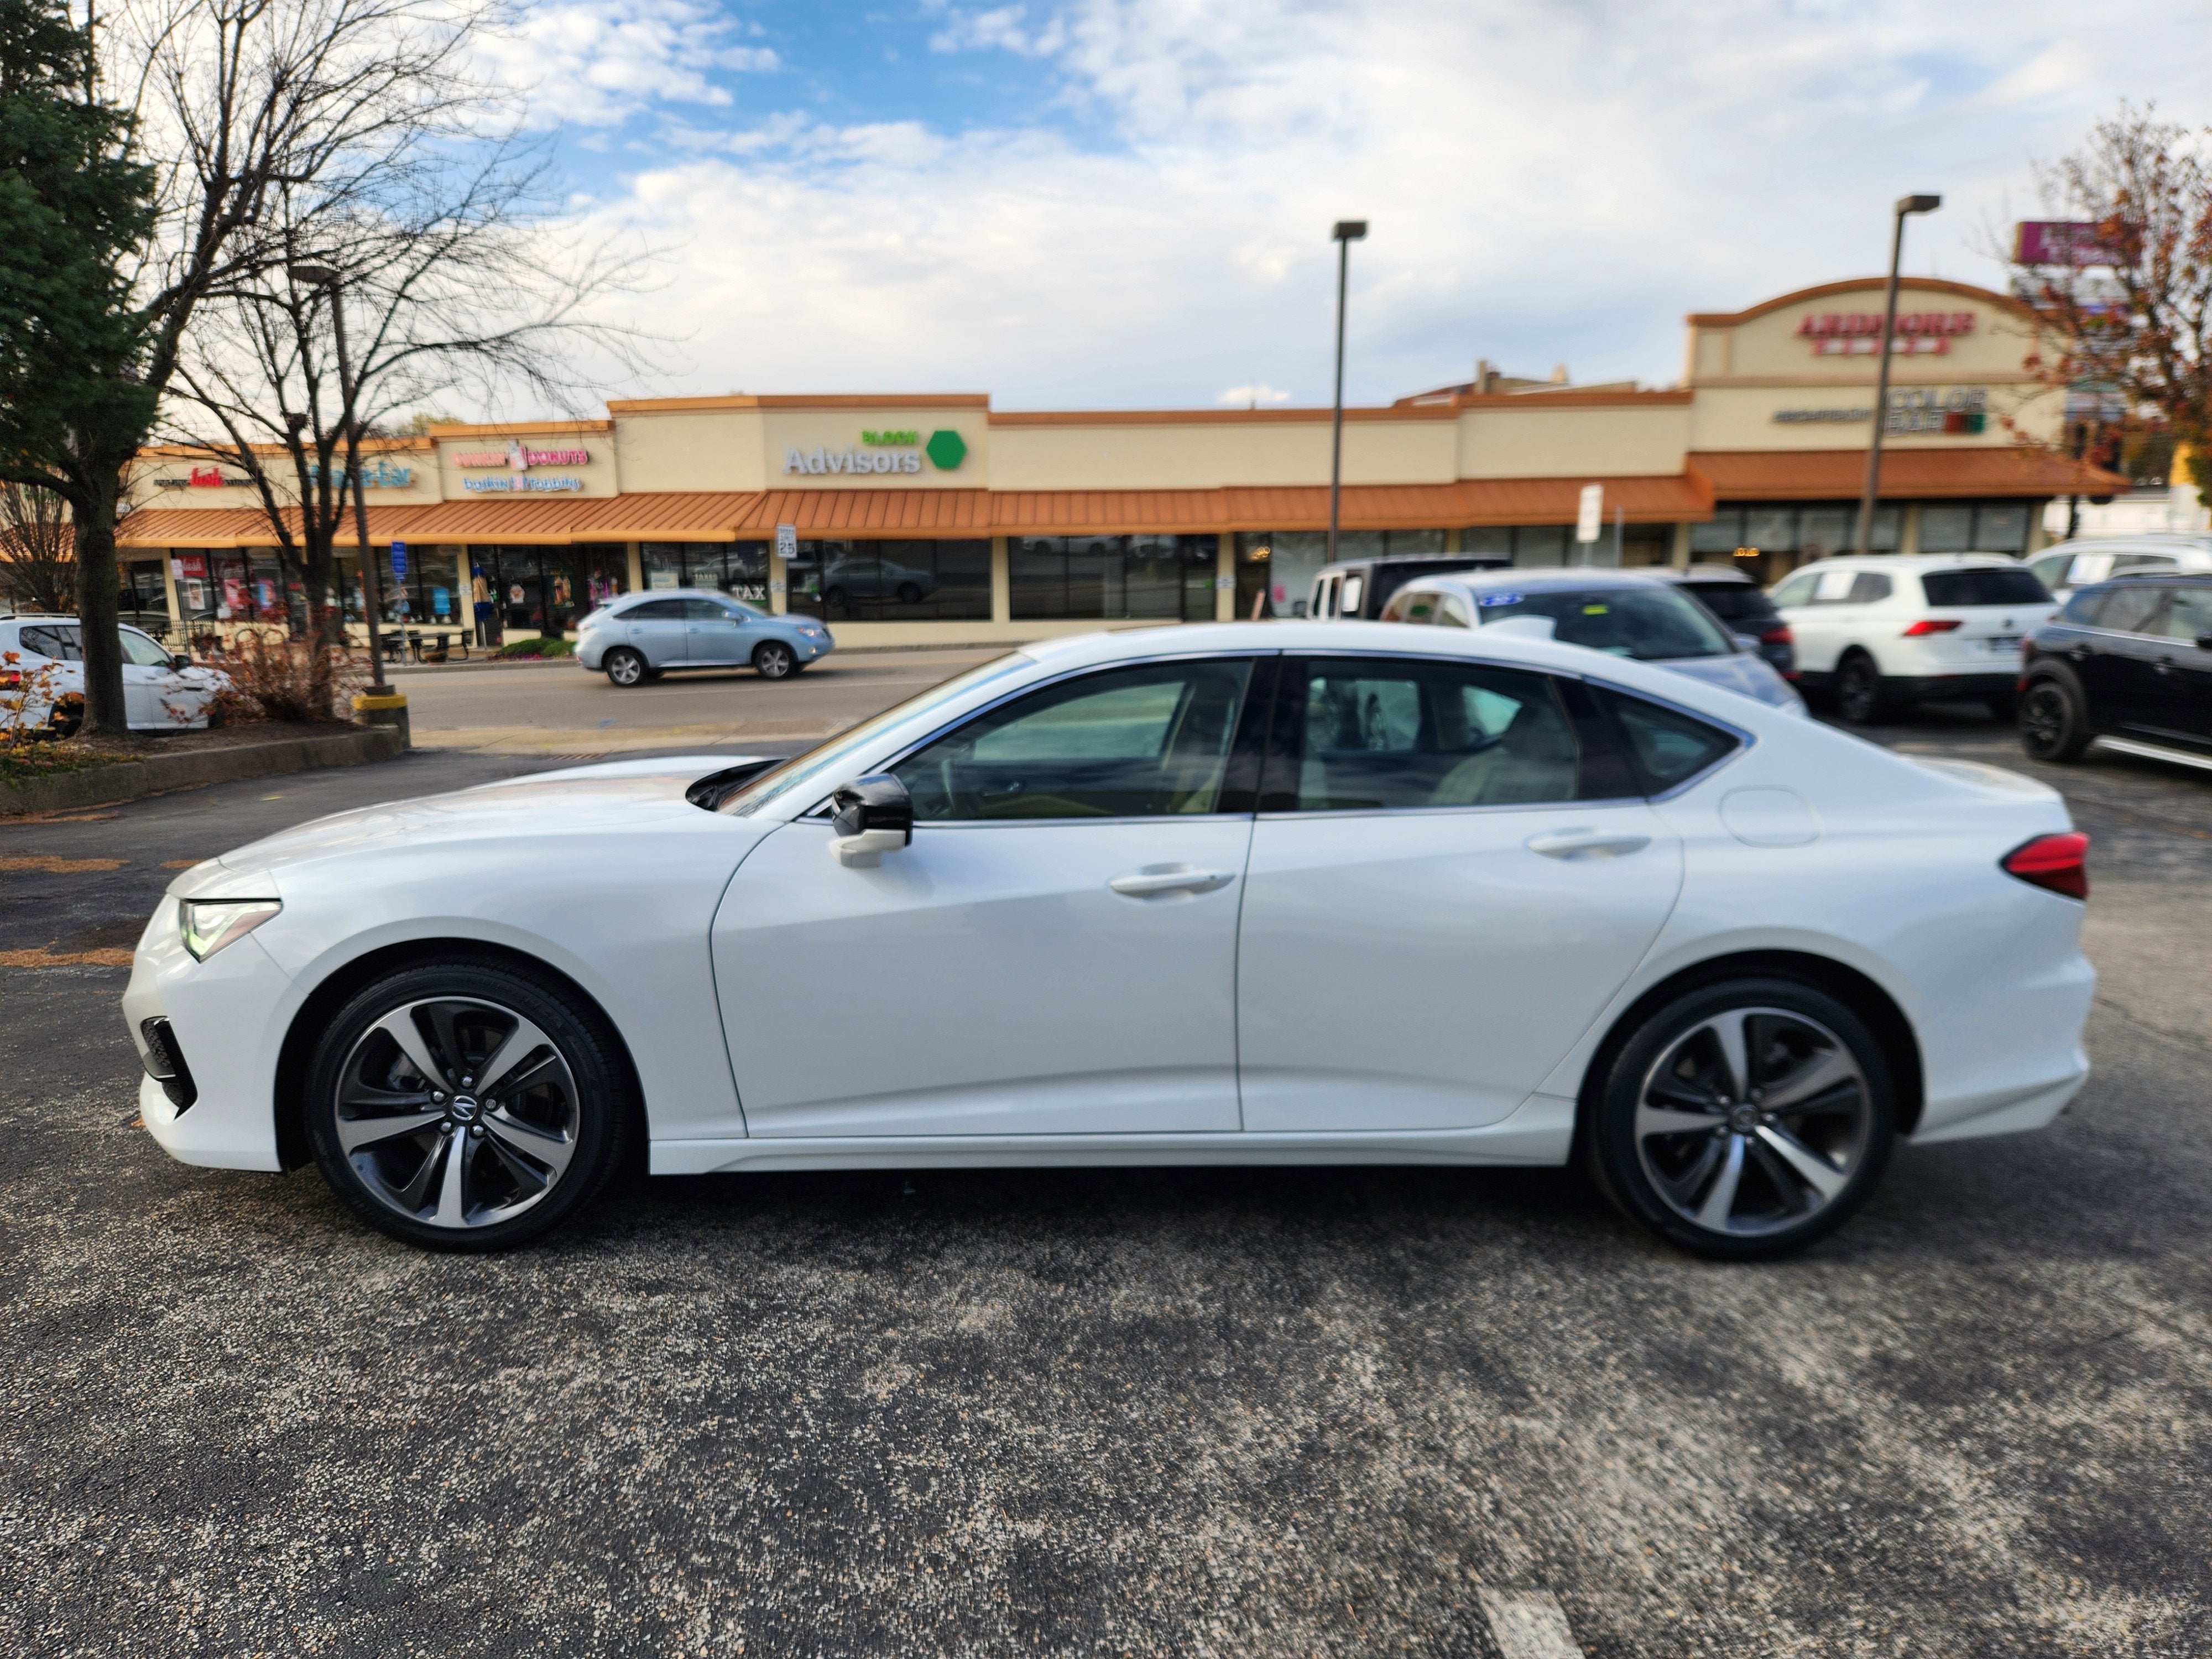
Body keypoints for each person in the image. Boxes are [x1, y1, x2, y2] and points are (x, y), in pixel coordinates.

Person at [472, 565, 493, 648]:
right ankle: (484, 644)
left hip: (480, 602)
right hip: (484, 602)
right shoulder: (482, 581)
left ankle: (484, 644)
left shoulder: (476, 582)